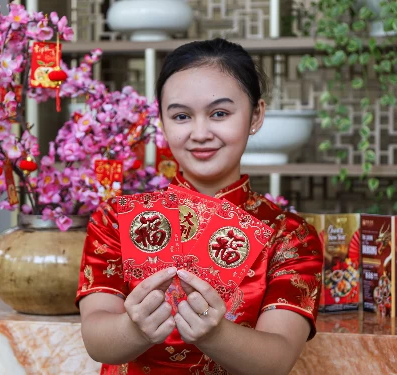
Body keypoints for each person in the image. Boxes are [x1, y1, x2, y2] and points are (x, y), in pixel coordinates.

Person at [76, 38, 323, 375]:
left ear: (256, 115)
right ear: (161, 122)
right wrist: (135, 329)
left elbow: (277, 359)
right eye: (181, 116)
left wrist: (216, 333)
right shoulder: (115, 220)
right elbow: (97, 340)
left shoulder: (290, 236)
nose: (200, 132)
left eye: (219, 113)